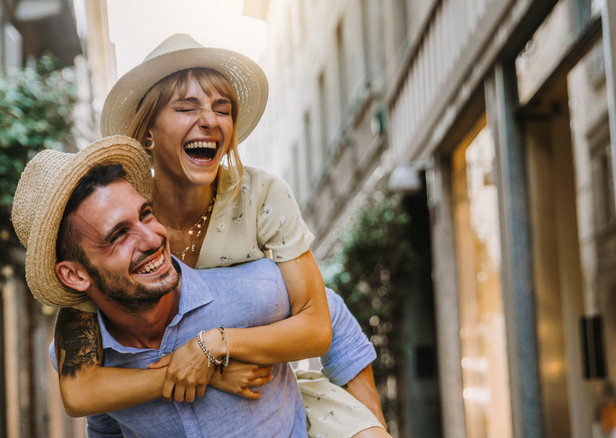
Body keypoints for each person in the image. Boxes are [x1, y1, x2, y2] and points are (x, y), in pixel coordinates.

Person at [57, 34, 388, 436]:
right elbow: (82, 392)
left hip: (284, 403)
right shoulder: (120, 217)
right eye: (185, 107)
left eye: (222, 108)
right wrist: (206, 371)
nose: (211, 121)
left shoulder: (261, 196)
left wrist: (214, 345)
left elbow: (322, 317)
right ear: (148, 134)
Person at [10, 137, 391, 437]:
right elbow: (106, 422)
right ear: (75, 275)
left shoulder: (247, 291)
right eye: (118, 235)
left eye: (146, 214)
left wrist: (368, 424)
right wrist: (202, 373)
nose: (152, 238)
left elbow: (328, 312)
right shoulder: (83, 361)